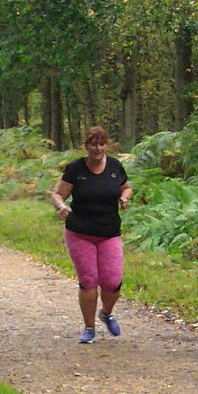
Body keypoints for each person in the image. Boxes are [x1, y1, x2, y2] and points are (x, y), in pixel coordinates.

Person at [51, 126, 132, 345]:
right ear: (86, 146)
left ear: (106, 145)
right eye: (93, 144)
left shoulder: (115, 166)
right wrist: (61, 207)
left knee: (112, 281)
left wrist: (124, 198)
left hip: (109, 232)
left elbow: (126, 187)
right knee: (89, 281)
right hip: (80, 232)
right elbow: (58, 194)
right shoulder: (76, 169)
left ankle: (106, 313)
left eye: (102, 144)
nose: (98, 148)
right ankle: (89, 328)